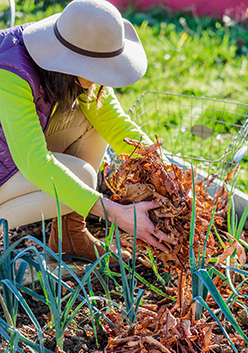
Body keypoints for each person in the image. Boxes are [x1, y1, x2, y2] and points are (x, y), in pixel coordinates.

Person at [0, 0, 171, 264]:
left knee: (93, 120)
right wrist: (114, 213)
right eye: (100, 70)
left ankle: (70, 236)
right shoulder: (11, 71)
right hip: (18, 157)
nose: (106, 77)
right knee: (83, 176)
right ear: (74, 64)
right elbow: (34, 161)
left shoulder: (67, 53)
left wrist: (171, 177)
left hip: (12, 148)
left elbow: (116, 125)